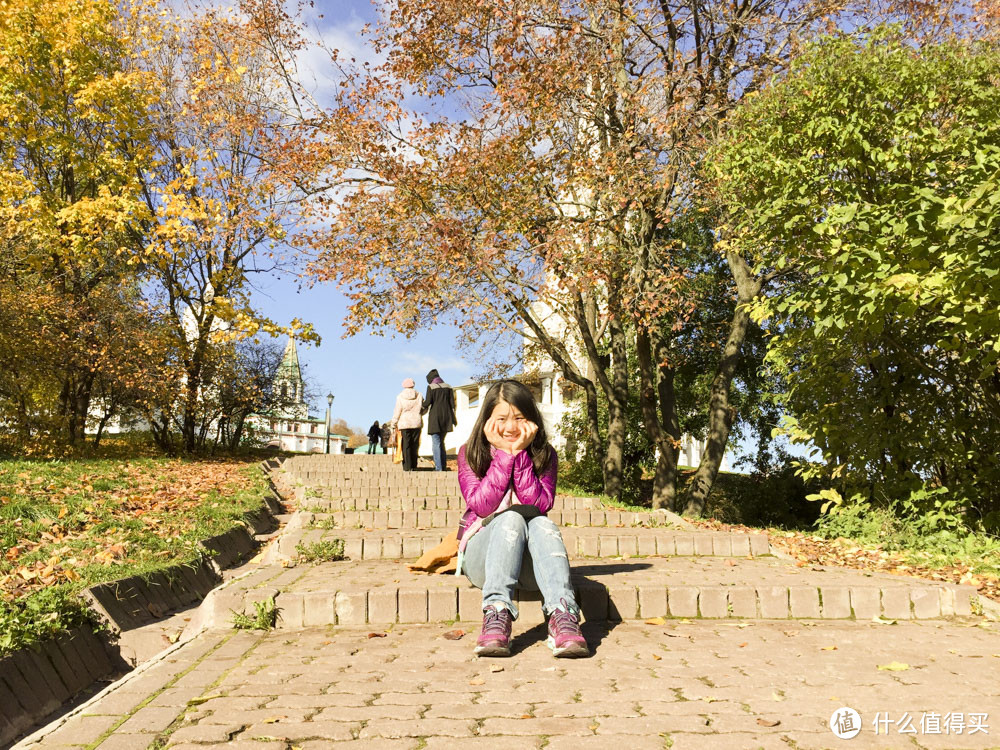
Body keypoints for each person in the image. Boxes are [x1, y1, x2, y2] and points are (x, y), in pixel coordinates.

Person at [456, 379, 588, 659]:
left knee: (541, 522)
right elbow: (481, 506)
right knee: (510, 519)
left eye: (519, 418)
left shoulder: (545, 454)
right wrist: (505, 456)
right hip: (483, 560)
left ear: (532, 420)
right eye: (501, 418)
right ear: (487, 421)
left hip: (531, 568)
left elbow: (540, 505)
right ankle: (496, 613)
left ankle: (563, 615)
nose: (510, 427)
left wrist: (522, 458)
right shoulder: (470, 452)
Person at [421, 368, 457, 471]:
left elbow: (427, 402)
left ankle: (438, 467)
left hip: (435, 418)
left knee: (436, 442)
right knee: (442, 442)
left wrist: (420, 404)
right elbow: (452, 404)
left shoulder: (431, 387)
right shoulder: (448, 387)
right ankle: (443, 466)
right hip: (447, 418)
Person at [390, 378, 423, 471]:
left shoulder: (400, 396)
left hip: (404, 423)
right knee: (415, 444)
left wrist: (393, 423)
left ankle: (407, 466)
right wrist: (419, 414)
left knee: (406, 445)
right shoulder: (419, 395)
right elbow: (423, 408)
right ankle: (414, 465)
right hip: (416, 422)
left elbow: (397, 411)